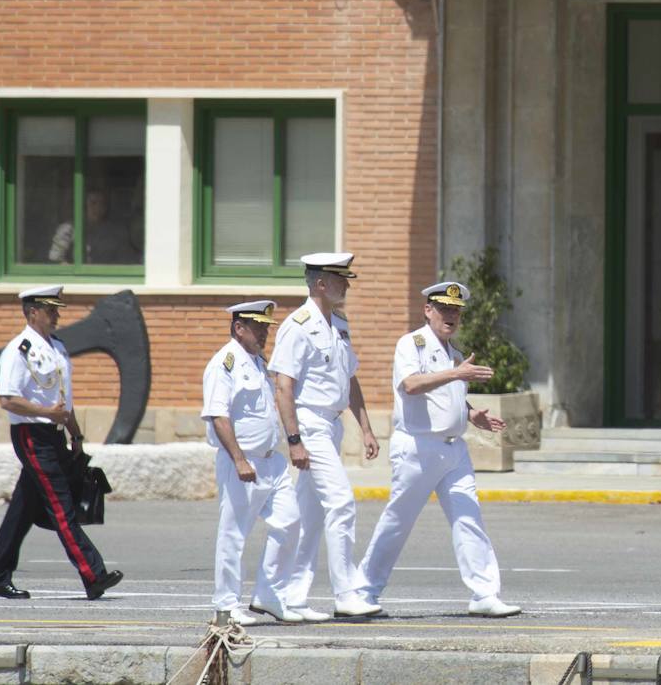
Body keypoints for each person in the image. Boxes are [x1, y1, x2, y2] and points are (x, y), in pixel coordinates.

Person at [355, 281, 521, 618]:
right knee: (398, 520)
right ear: (427, 310)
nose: (451, 316)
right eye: (444, 309)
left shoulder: (454, 354)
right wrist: (456, 373)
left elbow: (451, 396)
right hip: (418, 445)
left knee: (468, 516)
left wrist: (473, 414)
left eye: (456, 311)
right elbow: (412, 385)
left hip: (453, 449)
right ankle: (363, 590)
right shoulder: (412, 344)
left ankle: (484, 593)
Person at [0, 285, 123, 601]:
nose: (57, 315)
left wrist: (75, 433)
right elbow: (7, 399)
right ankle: (93, 574)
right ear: (33, 313)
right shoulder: (19, 349)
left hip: (54, 435)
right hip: (31, 436)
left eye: (57, 309)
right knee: (61, 507)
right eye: (50, 310)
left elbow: (63, 400)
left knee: (21, 512)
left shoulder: (57, 348)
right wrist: (48, 413)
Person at [268, 252, 382, 618]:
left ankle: (290, 594)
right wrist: (294, 439)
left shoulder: (339, 324)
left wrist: (365, 427)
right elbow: (283, 386)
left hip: (331, 425)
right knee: (341, 502)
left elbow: (349, 379)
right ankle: (345, 594)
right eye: (340, 279)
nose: (347, 285)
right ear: (320, 283)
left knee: (309, 515)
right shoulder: (297, 326)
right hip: (309, 425)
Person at [202, 300, 316, 625]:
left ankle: (269, 594)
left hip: (271, 460)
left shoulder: (257, 361)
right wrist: (238, 458)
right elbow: (218, 414)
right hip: (242, 460)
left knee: (290, 521)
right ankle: (226, 605)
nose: (265, 332)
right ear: (239, 328)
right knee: (234, 534)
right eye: (258, 327)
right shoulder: (224, 363)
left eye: (266, 326)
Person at [48, 188, 140, 265]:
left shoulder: (115, 232)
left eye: (102, 203)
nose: (98, 208)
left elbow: (126, 260)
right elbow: (55, 258)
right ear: (84, 206)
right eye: (93, 203)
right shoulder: (68, 229)